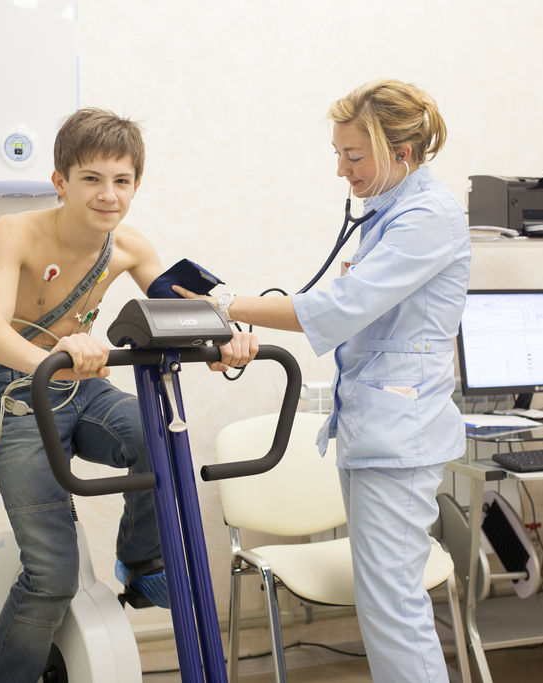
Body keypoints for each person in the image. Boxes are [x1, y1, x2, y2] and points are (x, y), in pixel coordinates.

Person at [175, 79, 470, 682]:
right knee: (384, 600)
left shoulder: (428, 217)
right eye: (338, 154)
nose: (341, 169)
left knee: (393, 605)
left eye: (353, 155)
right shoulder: (389, 213)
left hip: (400, 431)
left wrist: (227, 304)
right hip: (375, 427)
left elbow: (340, 308)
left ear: (400, 152)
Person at [0, 107, 256, 683]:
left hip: (86, 390)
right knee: (52, 577)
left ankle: (141, 557)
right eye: (92, 179)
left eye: (122, 180)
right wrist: (53, 361)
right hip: (20, 395)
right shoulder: (15, 232)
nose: (108, 194)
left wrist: (227, 341)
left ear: (136, 185)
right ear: (60, 181)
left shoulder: (129, 246)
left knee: (158, 435)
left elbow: (179, 312)